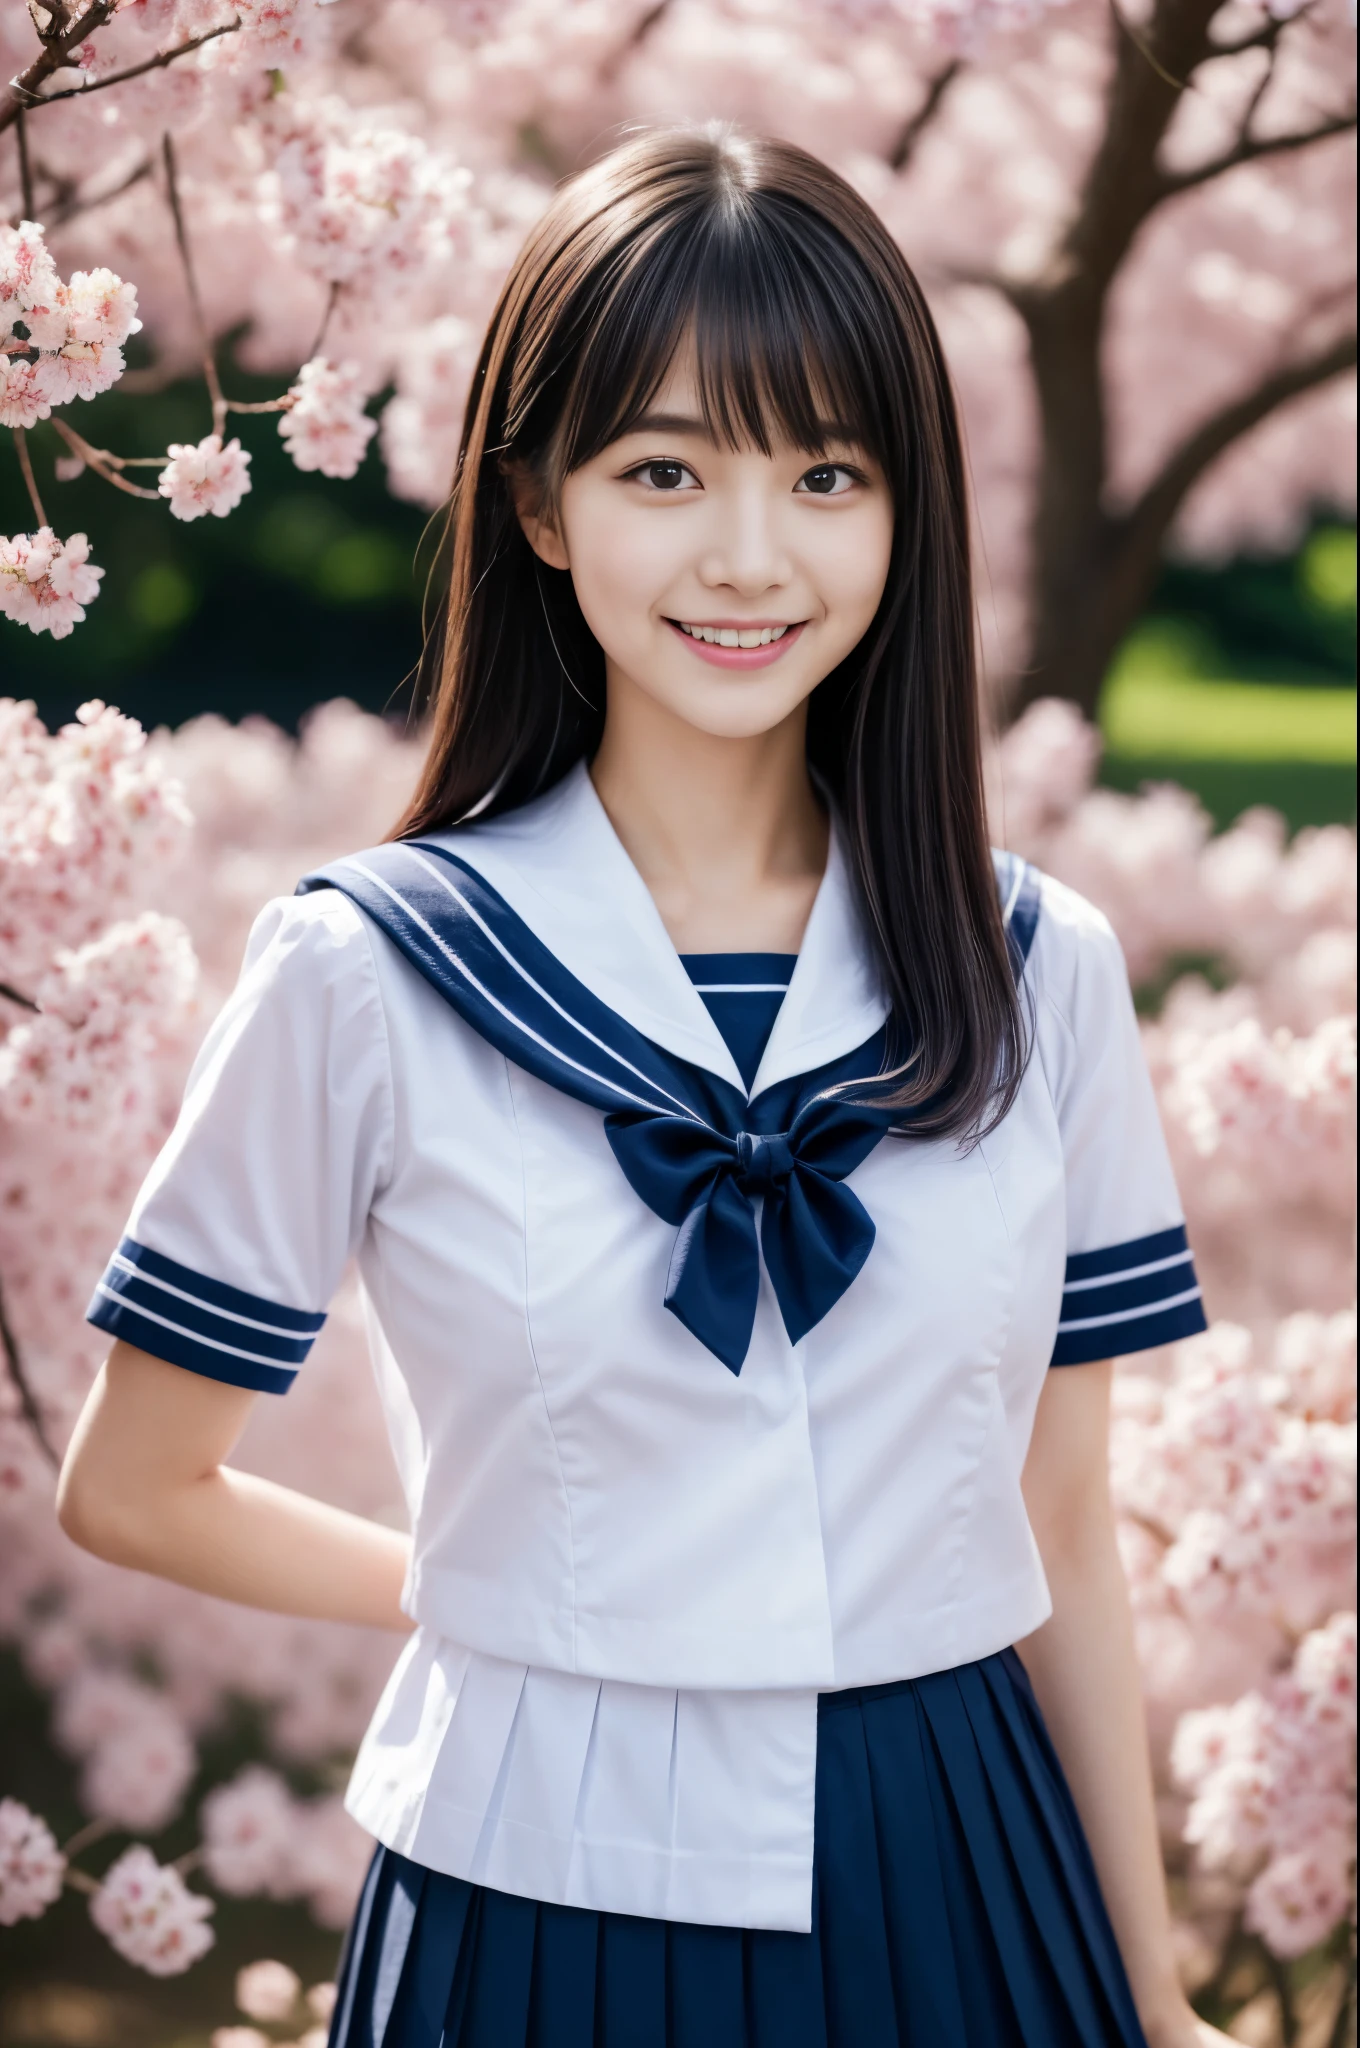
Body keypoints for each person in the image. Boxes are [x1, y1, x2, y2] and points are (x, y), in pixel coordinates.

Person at [58, 127, 1233, 2048]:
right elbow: (135, 1486)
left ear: (906, 512)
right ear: (537, 505)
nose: (750, 556)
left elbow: (1067, 1517)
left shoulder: (1039, 969)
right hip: (536, 1885)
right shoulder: (369, 971)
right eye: (666, 471)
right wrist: (516, 1598)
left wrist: (1161, 2000)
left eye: (826, 476)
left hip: (961, 1859)